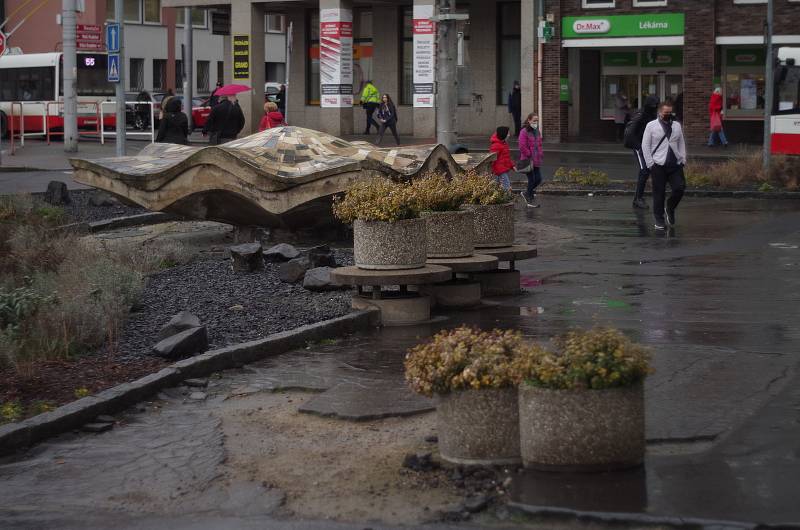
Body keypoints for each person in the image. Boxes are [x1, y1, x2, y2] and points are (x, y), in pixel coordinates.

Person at [642, 102, 686, 231]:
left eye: (670, 112)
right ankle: (659, 219)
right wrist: (650, 164)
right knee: (659, 193)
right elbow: (645, 146)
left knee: (680, 188)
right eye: (666, 112)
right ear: (659, 112)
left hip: (675, 164)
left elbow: (681, 143)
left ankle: (670, 207)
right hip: (658, 165)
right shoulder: (651, 126)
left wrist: (682, 159)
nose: (668, 115)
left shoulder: (677, 125)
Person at [624, 94, 660, 210]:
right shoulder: (641, 115)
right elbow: (630, 134)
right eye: (654, 106)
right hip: (639, 145)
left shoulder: (654, 115)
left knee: (648, 170)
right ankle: (638, 199)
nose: (656, 108)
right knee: (644, 170)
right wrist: (639, 147)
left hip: (648, 146)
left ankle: (638, 198)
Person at [518, 113, 543, 207]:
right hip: (528, 160)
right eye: (534, 120)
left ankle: (527, 193)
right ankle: (528, 196)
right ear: (529, 120)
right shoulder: (524, 132)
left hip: (536, 160)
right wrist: (529, 155)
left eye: (537, 120)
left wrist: (540, 154)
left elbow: (539, 144)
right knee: (532, 179)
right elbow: (522, 146)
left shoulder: (537, 131)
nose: (536, 122)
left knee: (539, 179)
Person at [489, 126, 514, 191]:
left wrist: (512, 166)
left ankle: (498, 199)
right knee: (506, 187)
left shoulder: (504, 144)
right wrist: (491, 171)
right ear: (504, 134)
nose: (509, 135)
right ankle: (507, 199)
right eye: (508, 133)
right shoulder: (496, 145)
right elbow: (492, 159)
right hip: (499, 171)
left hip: (501, 170)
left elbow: (506, 157)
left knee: (497, 187)